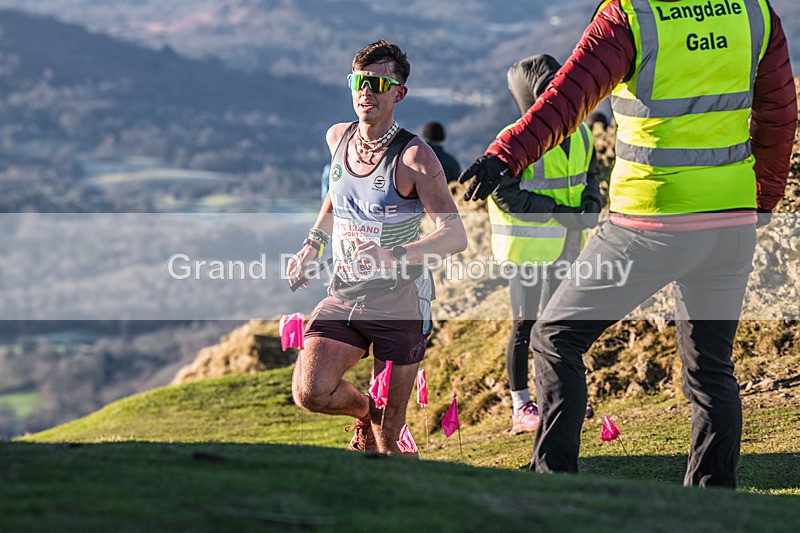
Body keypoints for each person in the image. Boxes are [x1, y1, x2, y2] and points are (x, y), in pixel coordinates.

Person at [459, 0, 795, 487]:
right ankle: (713, 499)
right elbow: (779, 115)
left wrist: (505, 155)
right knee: (711, 368)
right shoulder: (755, 12)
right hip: (730, 220)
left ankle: (553, 483)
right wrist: (762, 199)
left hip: (650, 221)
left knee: (554, 337)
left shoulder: (633, 15)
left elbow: (566, 98)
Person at [288, 40, 467, 455]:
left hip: (400, 302)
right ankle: (364, 411)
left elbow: (456, 236)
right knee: (310, 393)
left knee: (389, 440)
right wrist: (311, 246)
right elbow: (335, 198)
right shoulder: (338, 137)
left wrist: (395, 255)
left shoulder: (416, 158)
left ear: (398, 93)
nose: (366, 90)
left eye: (378, 82)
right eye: (359, 81)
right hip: (346, 290)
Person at [488, 55, 604, 433]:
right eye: (546, 90)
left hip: (568, 243)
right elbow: (504, 194)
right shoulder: (515, 136)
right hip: (527, 250)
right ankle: (522, 406)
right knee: (526, 326)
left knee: (558, 327)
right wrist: (558, 210)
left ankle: (557, 399)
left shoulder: (582, 131)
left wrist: (591, 205)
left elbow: (592, 174)